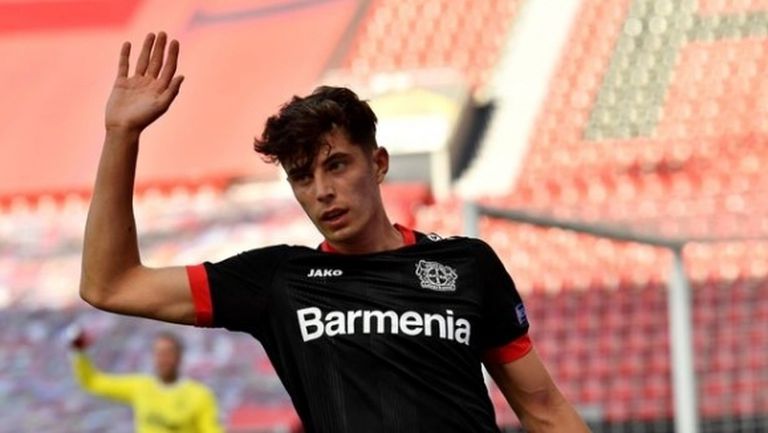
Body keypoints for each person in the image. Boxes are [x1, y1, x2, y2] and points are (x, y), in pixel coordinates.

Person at [80, 31, 591, 432]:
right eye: (303, 177)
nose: (323, 190)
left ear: (379, 163)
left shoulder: (467, 266)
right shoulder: (277, 280)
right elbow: (110, 284)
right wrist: (121, 135)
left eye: (337, 165)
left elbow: (544, 409)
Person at [69, 328, 223, 433]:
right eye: (159, 353)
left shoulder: (200, 396)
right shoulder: (140, 387)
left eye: (168, 353)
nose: (163, 359)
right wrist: (79, 353)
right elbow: (93, 381)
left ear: (179, 357)